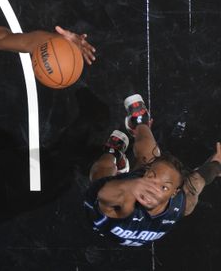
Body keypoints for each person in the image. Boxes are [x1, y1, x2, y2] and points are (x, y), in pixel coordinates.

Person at [84, 94, 221, 246]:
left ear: (174, 192)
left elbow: (101, 193)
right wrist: (217, 165)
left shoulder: (122, 200)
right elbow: (200, 178)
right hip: (129, 187)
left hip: (105, 220)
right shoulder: (183, 201)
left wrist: (127, 186)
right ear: (146, 173)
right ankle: (140, 124)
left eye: (164, 187)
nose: (153, 188)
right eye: (151, 177)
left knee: (99, 176)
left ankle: (112, 153)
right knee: (150, 156)